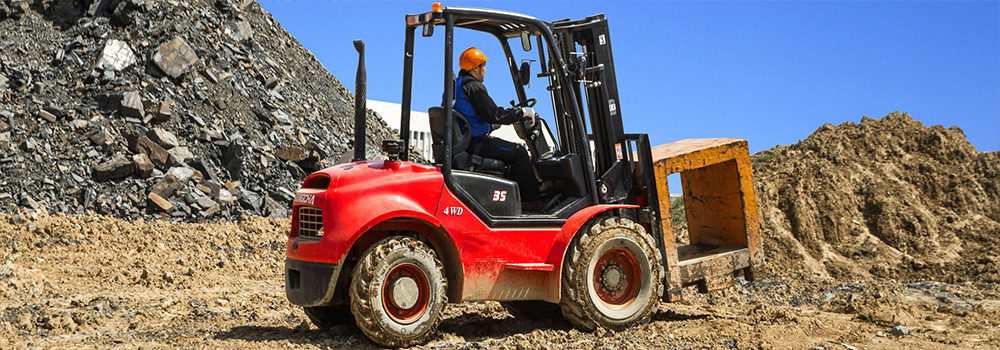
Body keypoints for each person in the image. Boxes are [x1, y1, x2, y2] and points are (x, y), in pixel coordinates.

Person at [444, 47, 542, 203]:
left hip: (465, 142)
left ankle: (515, 198)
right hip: (476, 145)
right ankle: (533, 202)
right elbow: (494, 114)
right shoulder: (473, 86)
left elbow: (471, 116)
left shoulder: (458, 85)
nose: (484, 70)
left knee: (510, 154)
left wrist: (491, 126)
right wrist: (520, 112)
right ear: (475, 67)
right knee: (520, 152)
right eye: (483, 66)